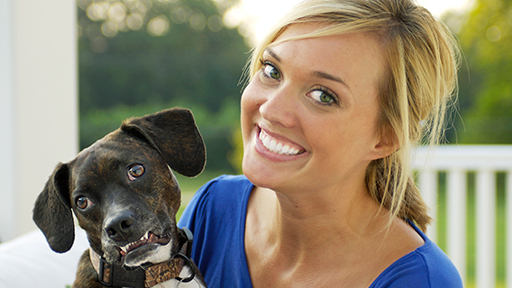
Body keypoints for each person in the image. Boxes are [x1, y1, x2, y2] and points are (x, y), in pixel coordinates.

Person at [179, 0, 463, 287]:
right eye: (272, 71)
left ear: (386, 137)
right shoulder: (212, 209)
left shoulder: (419, 280)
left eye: (323, 96)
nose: (271, 110)